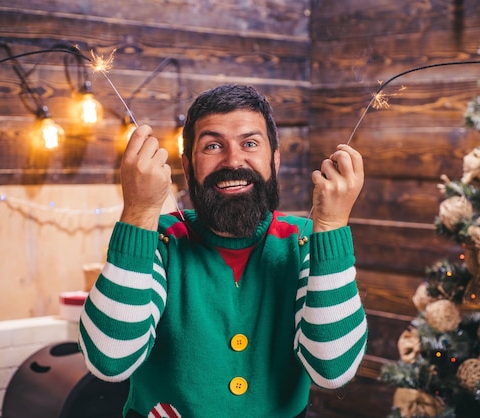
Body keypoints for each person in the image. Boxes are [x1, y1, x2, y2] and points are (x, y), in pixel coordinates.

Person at [79, 84, 368, 418]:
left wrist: (332, 225)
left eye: (250, 143)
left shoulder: (305, 240)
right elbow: (109, 360)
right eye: (213, 145)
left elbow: (333, 370)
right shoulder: (158, 239)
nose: (233, 161)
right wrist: (139, 213)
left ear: (274, 159)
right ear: (187, 168)